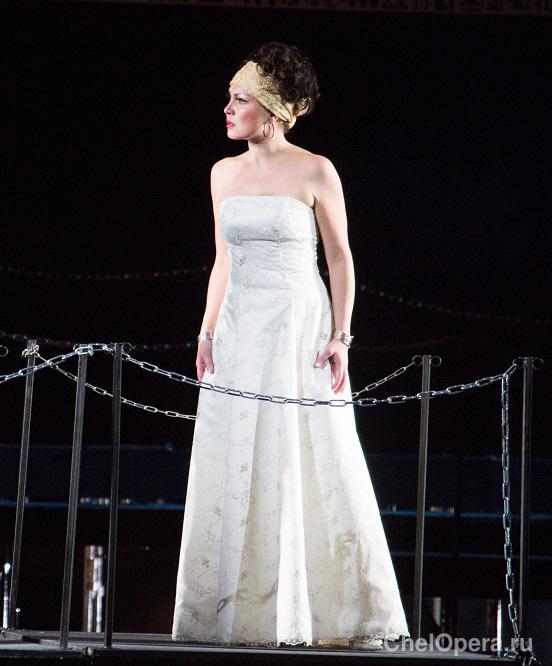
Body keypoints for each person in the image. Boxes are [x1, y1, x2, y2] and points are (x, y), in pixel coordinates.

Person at [172, 43, 409, 650]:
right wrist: (206, 331)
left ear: (273, 110)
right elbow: (223, 260)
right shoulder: (222, 173)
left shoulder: (315, 170)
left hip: (297, 326)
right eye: (230, 98)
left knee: (303, 454)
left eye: (241, 99)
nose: (228, 109)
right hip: (239, 328)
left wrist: (341, 336)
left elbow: (340, 258)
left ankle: (318, 612)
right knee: (236, 454)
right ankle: (238, 613)